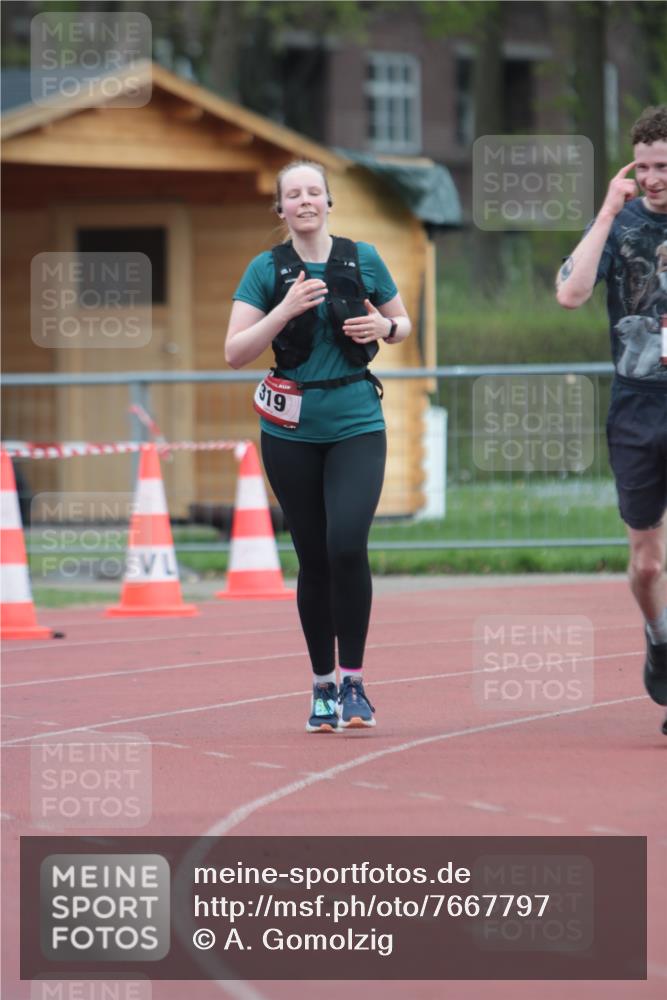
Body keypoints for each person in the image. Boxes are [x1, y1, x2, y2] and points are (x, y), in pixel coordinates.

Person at [225, 160, 411, 732]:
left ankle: (354, 681)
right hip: (290, 431)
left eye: (314, 192)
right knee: (312, 556)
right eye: (293, 194)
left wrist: (384, 329)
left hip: (357, 420)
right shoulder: (266, 269)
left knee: (346, 543)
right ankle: (322, 687)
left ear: (329, 202)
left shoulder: (364, 258)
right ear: (280, 209)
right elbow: (235, 351)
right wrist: (284, 310)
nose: (305, 201)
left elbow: (403, 325)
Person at [556, 105, 667, 734]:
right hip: (636, 405)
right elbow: (570, 294)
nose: (653, 178)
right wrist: (604, 211)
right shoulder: (620, 224)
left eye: (664, 167)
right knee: (648, 565)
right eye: (644, 166)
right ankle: (659, 636)